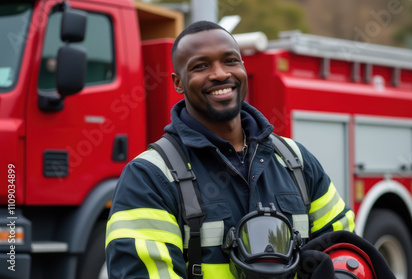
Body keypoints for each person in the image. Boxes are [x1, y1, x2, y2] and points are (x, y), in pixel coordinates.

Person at [105, 21, 355, 279]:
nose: (220, 74)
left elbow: (344, 252)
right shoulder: (148, 178)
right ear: (178, 83)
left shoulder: (296, 160)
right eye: (201, 66)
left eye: (230, 61)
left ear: (243, 68)